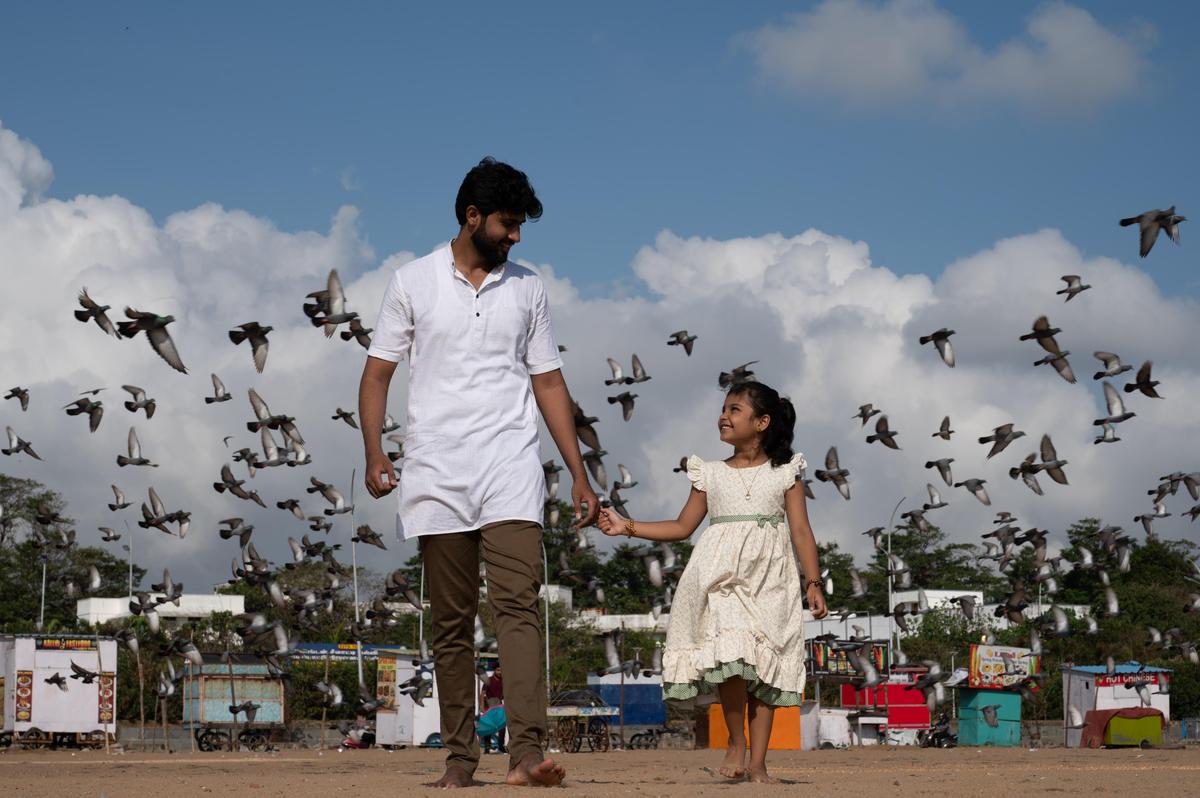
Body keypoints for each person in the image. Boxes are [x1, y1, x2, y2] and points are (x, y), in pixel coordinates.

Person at [358, 157, 599, 788]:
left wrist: (578, 471)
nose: (516, 237)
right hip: (436, 468)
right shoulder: (412, 281)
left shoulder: (529, 287)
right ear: (472, 217)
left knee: (518, 605)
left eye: (520, 226)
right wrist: (374, 453)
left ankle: (526, 754)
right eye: (508, 224)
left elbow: (548, 381)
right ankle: (460, 760)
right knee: (451, 621)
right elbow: (378, 373)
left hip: (511, 464)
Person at [597, 380, 828, 784]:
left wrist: (814, 582)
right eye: (724, 408)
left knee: (765, 668)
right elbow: (683, 526)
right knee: (732, 659)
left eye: (735, 409)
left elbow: (802, 532)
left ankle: (758, 764)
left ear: (762, 422)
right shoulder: (710, 473)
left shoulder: (785, 473)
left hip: (771, 580)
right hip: (720, 576)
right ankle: (736, 742)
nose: (723, 416)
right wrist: (626, 525)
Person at [479, 665, 505, 753]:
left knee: (502, 727)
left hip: (499, 705)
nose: (500, 672)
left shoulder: (503, 681)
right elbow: (482, 694)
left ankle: (501, 746)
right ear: (494, 670)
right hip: (489, 704)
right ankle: (487, 747)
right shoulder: (488, 680)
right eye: (498, 670)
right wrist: (482, 706)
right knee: (488, 726)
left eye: (501, 670)